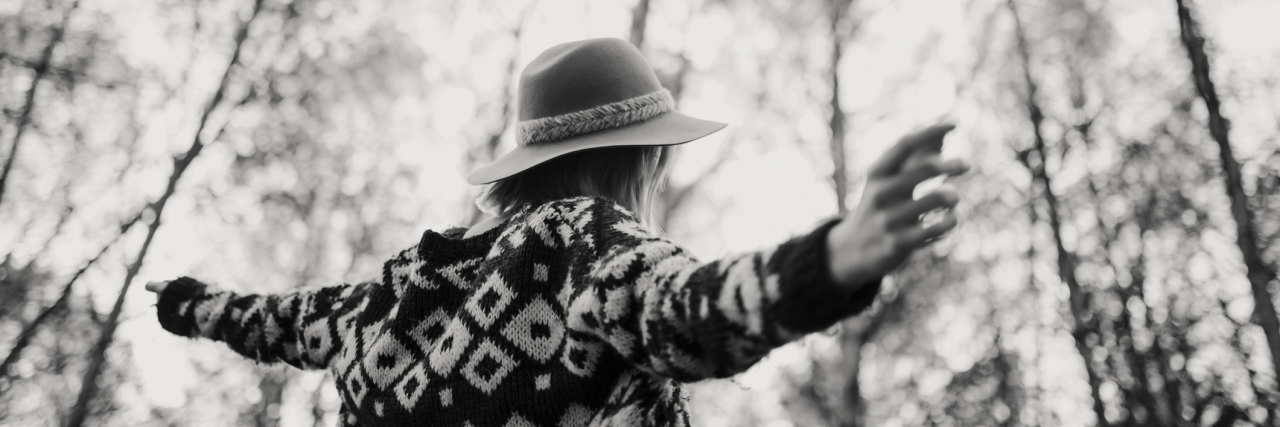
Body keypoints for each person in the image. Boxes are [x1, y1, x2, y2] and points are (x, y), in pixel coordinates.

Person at [146, 37, 967, 427]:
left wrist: (189, 303)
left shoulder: (388, 296)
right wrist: (828, 261)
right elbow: (685, 312)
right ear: (635, 158)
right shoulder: (582, 246)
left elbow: (277, 320)